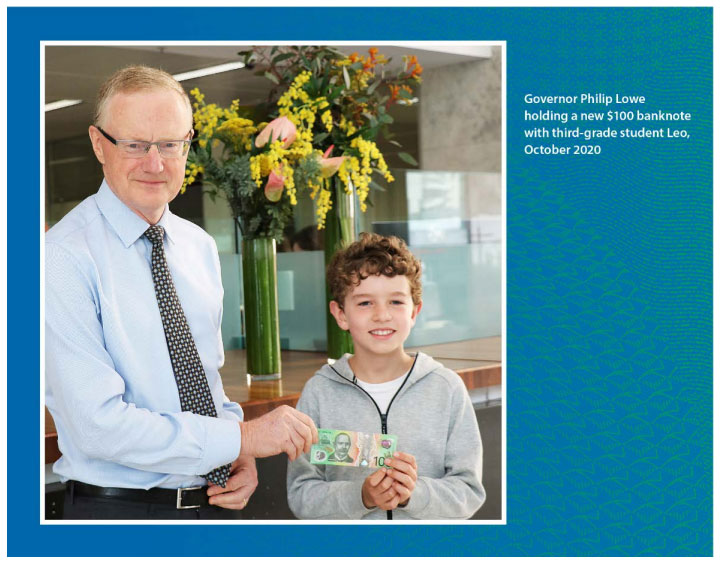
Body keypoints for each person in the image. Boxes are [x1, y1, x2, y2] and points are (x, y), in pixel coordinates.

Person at [45, 65, 317, 520]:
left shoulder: (199, 247)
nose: (155, 164)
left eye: (171, 145)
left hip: (213, 508)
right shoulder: (60, 258)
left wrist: (236, 453)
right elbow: (97, 427)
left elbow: (205, 385)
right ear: (98, 144)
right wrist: (244, 438)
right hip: (118, 520)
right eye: (134, 145)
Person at [287, 232, 485, 519]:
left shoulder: (447, 389)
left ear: (415, 311)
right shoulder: (319, 393)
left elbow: (468, 492)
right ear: (341, 314)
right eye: (365, 303)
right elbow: (302, 494)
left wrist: (412, 495)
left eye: (396, 302)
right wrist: (361, 496)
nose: (382, 315)